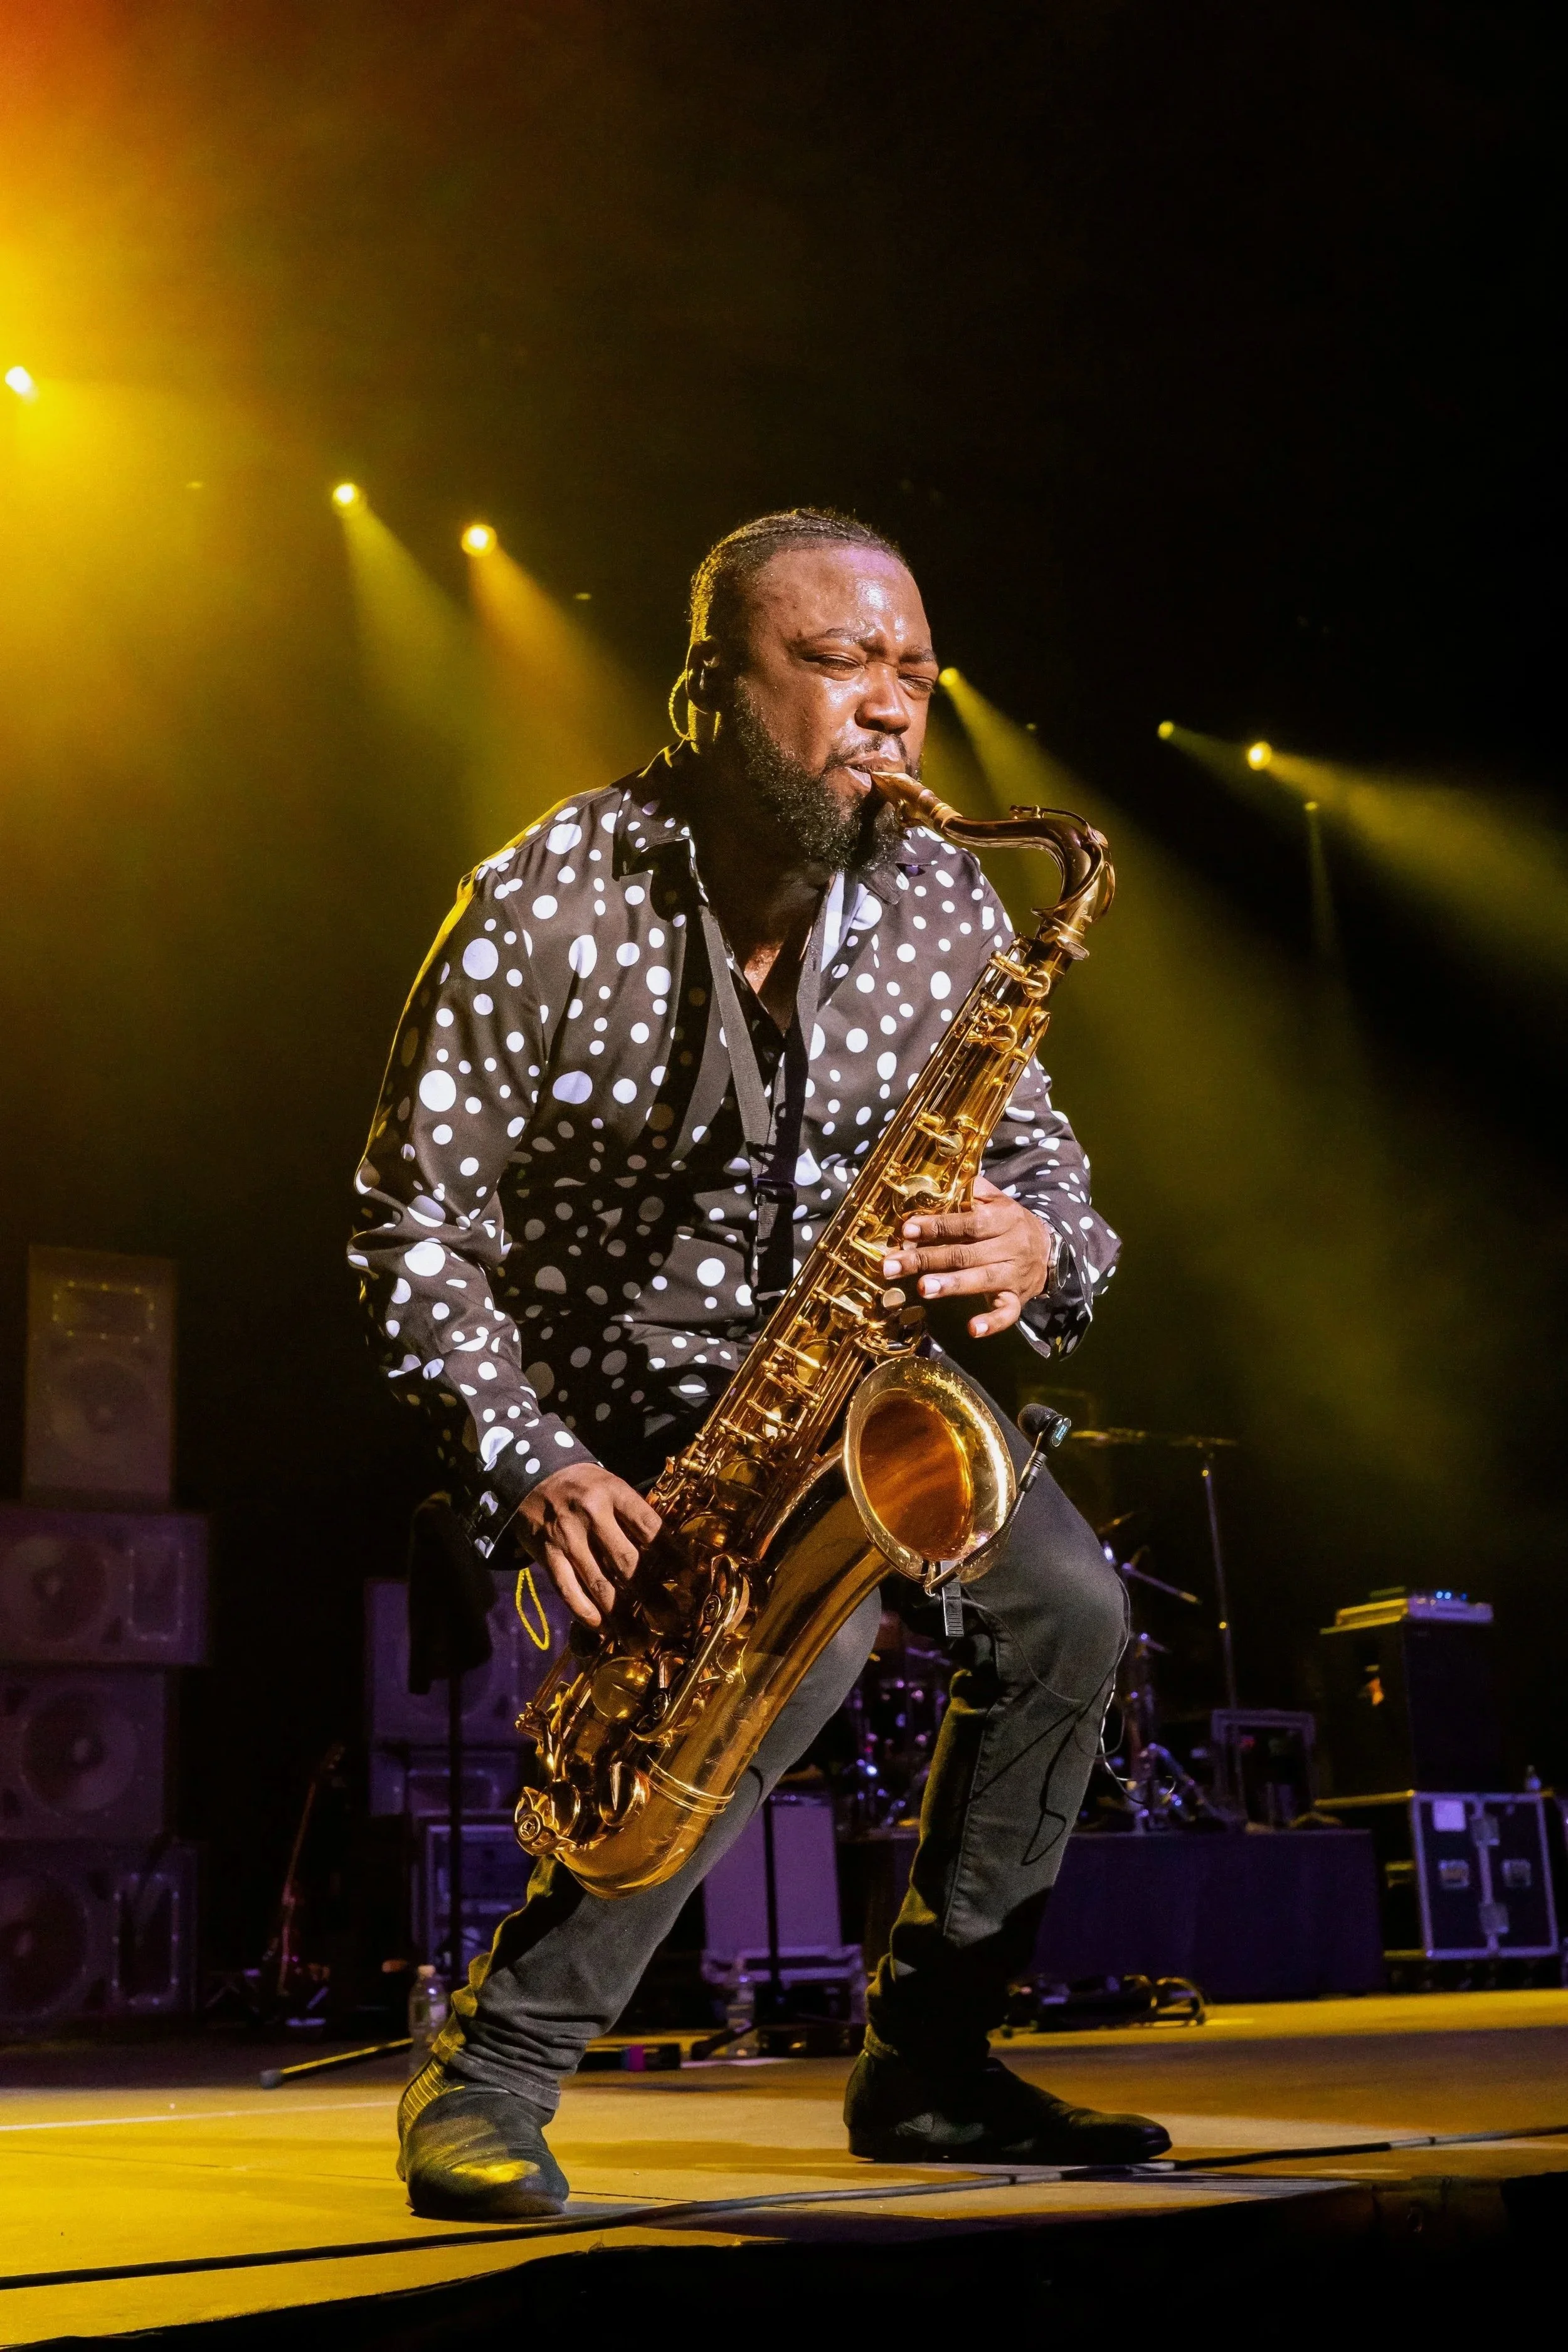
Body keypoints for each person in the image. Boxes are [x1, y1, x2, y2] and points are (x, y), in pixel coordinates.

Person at [351, 508, 1169, 2220]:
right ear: (711, 694)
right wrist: (531, 1459)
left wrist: (1037, 1247)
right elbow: (410, 1222)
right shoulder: (547, 896)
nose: (890, 705)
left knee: (1072, 1612)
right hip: (621, 1385)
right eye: (837, 660)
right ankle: (494, 2071)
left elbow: (1047, 1174)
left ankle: (931, 2066)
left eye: (914, 671)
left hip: (848, 1376)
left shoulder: (947, 896)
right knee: (795, 1643)